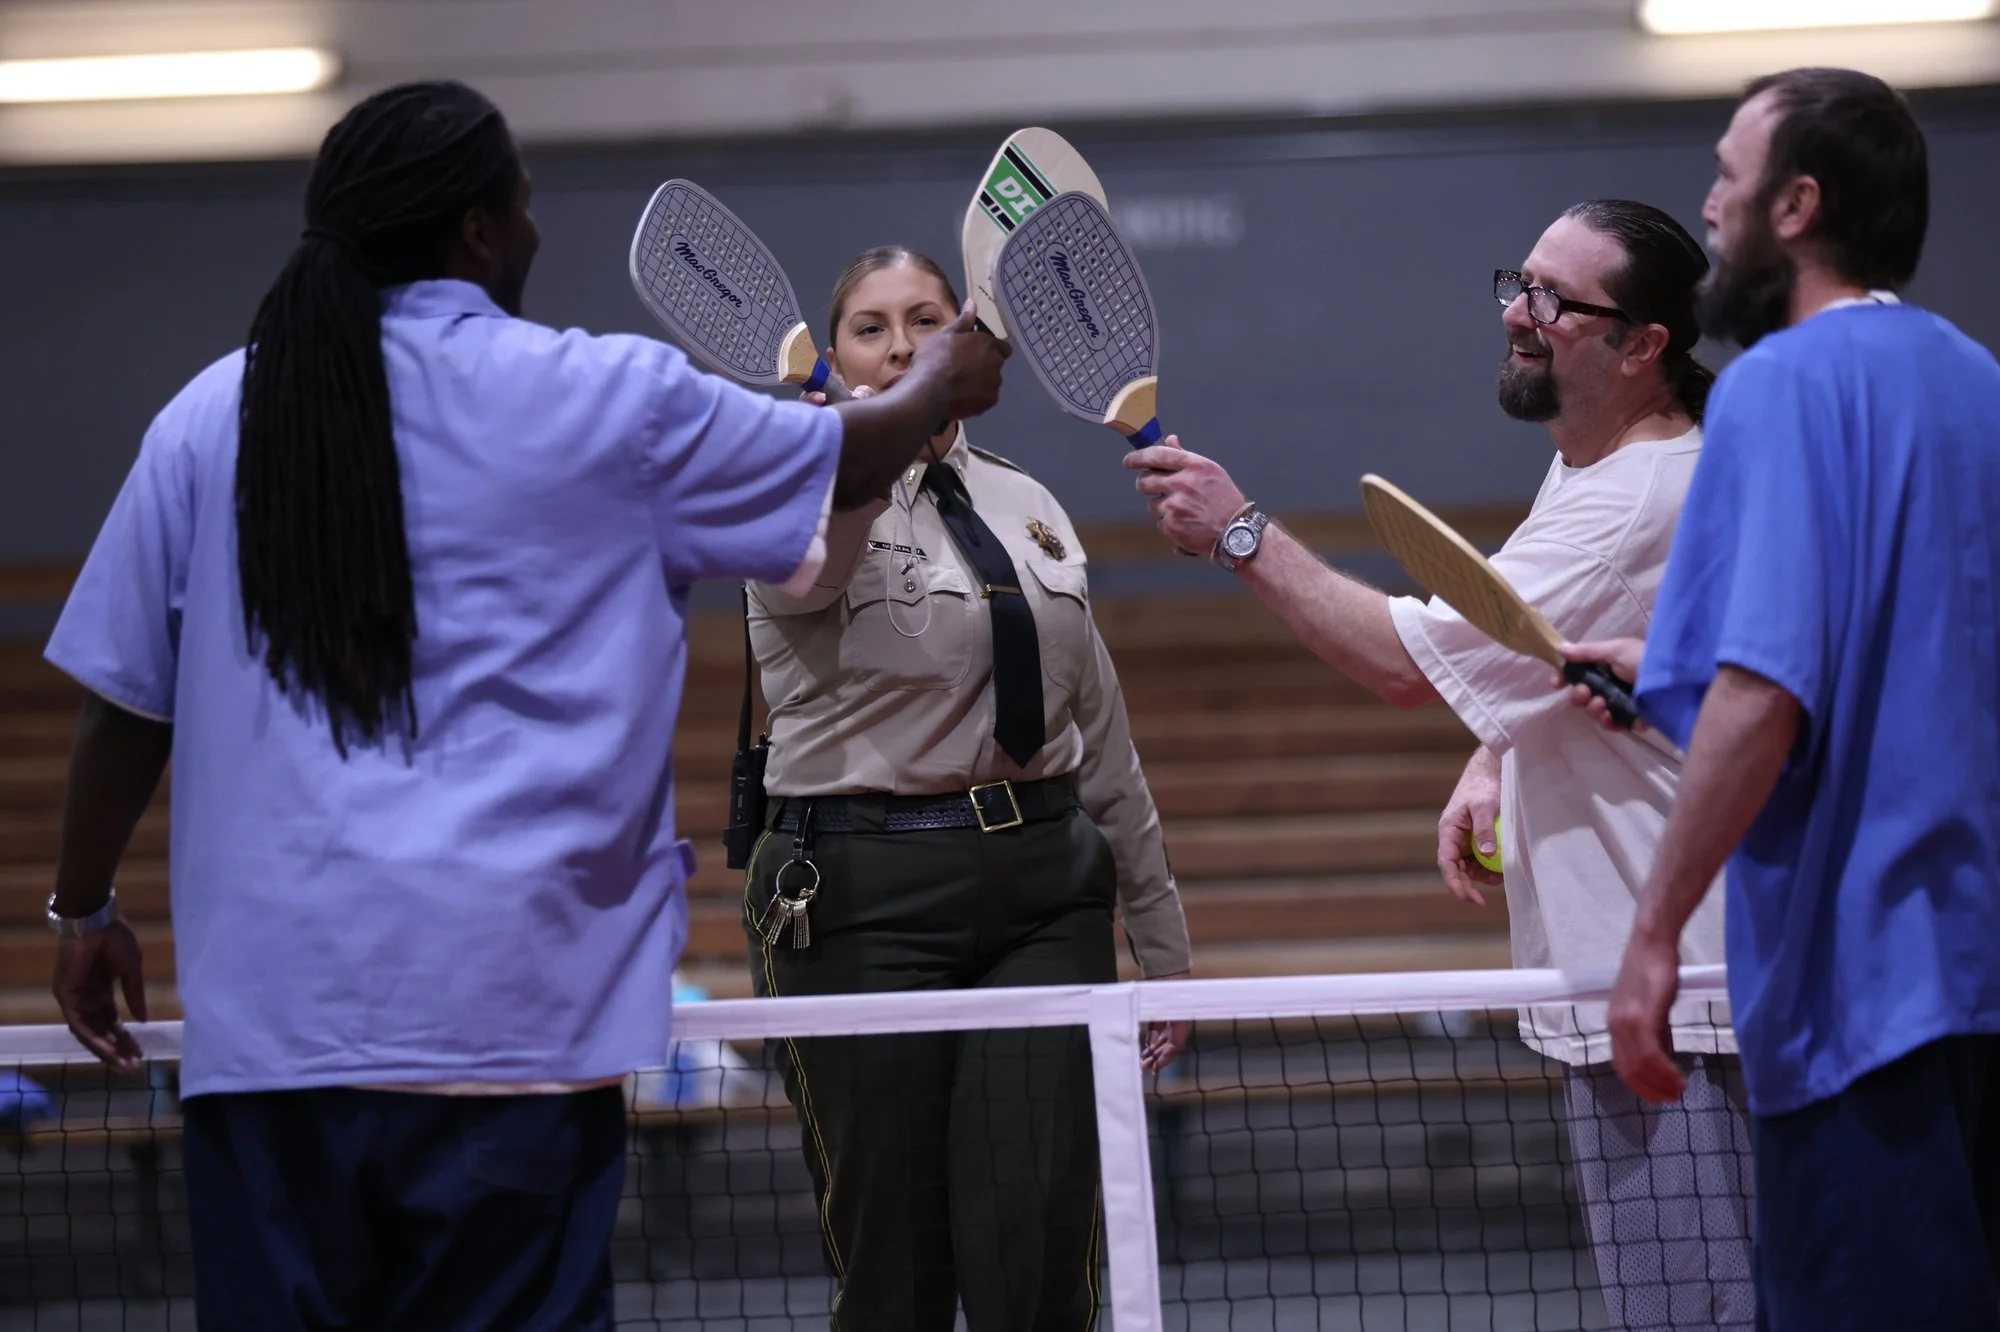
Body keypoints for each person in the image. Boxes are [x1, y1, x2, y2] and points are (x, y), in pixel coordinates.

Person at [41, 82, 1006, 1330]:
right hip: (514, 1024)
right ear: (480, 229)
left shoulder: (205, 419)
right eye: (526, 203)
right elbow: (853, 456)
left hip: (274, 1033)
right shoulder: (605, 398)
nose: (535, 229)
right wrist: (940, 371)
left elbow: (125, 708)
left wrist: (83, 908)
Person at [1128, 202, 1755, 1329]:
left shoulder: (1632, 496)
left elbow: (1404, 662)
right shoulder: (1597, 464)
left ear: (1641, 343)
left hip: (1676, 1003)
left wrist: (1238, 534)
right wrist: (1493, 754)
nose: (1519, 311)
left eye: (1558, 300)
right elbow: (1540, 653)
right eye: (1521, 280)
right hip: (1633, 979)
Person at [1563, 68, 2000, 1330]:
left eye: (1727, 176)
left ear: (1794, 204)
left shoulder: (1772, 384)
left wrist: (1650, 940)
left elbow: (1763, 698)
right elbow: (1906, 649)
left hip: (1857, 999)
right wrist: (1663, 677)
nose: (1707, 205)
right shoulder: (1973, 384)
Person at [742, 245, 1192, 1331]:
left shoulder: (1027, 500)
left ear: (963, 339)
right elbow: (814, 574)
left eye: (926, 319)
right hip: (856, 893)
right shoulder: (789, 481)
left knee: (1035, 1240)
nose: (901, 343)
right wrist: (868, 438)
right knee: (891, 1259)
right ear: (835, 352)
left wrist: (1163, 941)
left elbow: (1101, 733)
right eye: (871, 325)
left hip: (1042, 888)